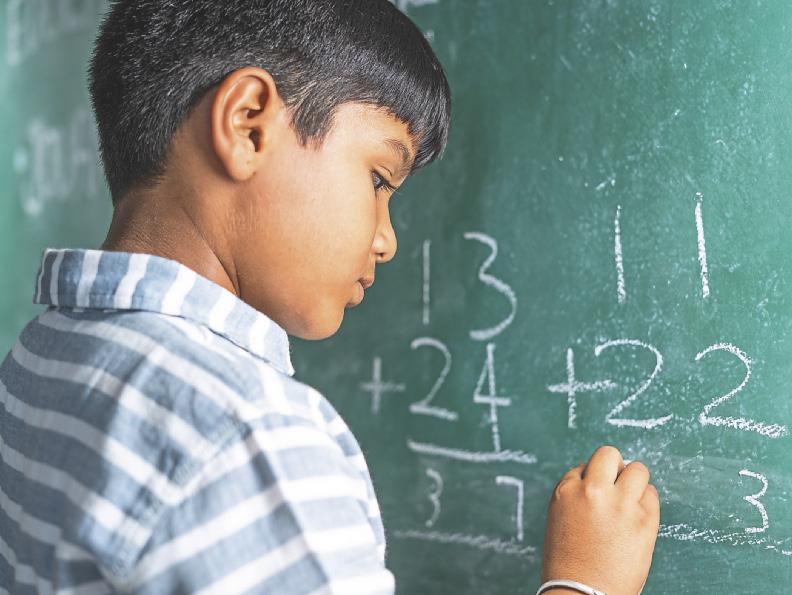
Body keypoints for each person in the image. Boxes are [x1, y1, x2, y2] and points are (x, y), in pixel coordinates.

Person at [0, 1, 658, 593]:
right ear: (248, 125)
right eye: (379, 179)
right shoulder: (251, 438)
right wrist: (584, 583)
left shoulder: (38, 357)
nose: (387, 239)